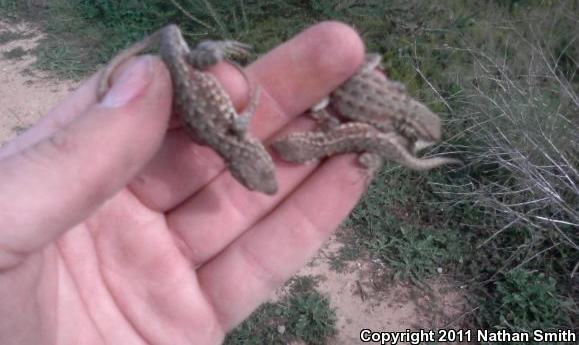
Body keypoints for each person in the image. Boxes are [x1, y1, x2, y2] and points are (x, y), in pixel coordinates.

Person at [0, 22, 367, 343]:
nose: (262, 173)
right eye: (258, 174)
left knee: (230, 81)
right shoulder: (229, 137)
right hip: (187, 69)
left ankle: (213, 51)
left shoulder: (235, 134)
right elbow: (245, 109)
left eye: (259, 173)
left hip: (189, 76)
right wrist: (245, 97)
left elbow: (245, 112)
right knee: (226, 79)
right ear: (239, 164)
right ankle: (213, 51)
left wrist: (249, 104)